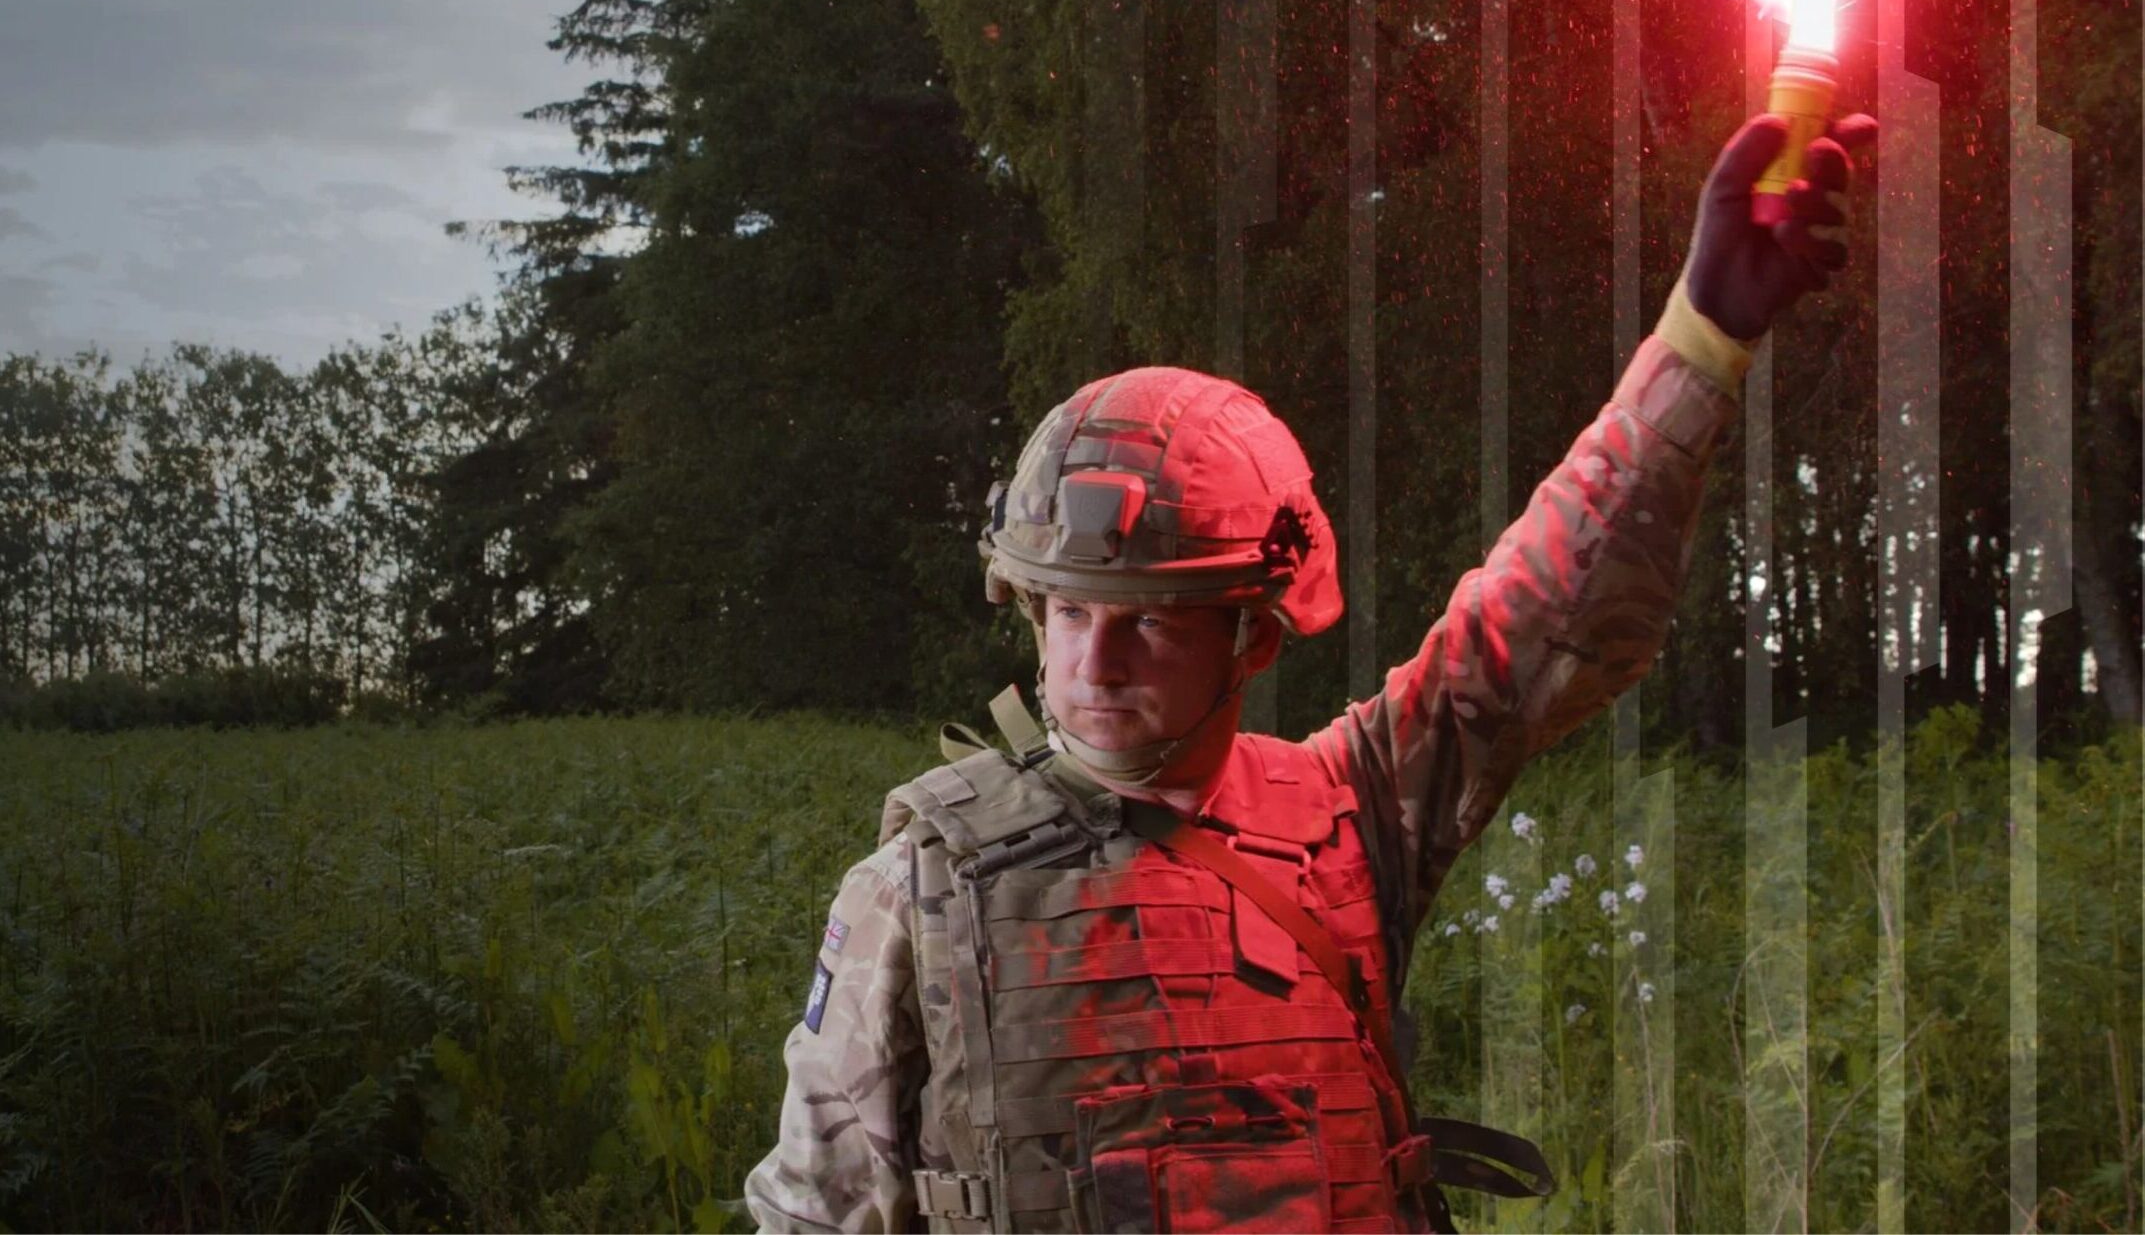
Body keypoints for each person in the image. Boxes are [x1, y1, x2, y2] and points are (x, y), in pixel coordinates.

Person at [743, 112, 1872, 1232]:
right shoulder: (922, 887)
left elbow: (1543, 620)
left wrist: (1705, 330)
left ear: (1255, 636)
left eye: (1151, 622)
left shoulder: (1344, 819)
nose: (1092, 661)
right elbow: (816, 1213)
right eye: (1068, 611)